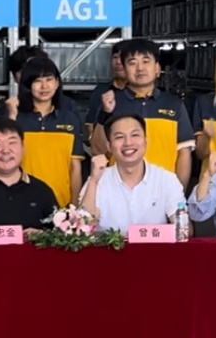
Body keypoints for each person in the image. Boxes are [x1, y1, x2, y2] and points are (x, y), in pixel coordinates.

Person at [91, 39, 195, 188]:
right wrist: (105, 113)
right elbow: (97, 150)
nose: (140, 68)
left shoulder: (174, 105)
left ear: (157, 68)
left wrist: (178, 192)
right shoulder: (111, 103)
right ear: (124, 69)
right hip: (119, 191)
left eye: (146, 61)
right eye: (132, 63)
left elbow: (184, 154)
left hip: (163, 190)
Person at [80, 114, 185, 232]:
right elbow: (83, 230)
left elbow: (184, 230)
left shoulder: (166, 180)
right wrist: (93, 181)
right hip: (108, 245)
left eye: (135, 135)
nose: (128, 143)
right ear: (109, 146)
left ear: (146, 141)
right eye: (119, 137)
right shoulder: (98, 180)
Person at [3, 57, 85, 208]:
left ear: (57, 83)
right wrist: (12, 116)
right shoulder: (15, 117)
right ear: (28, 85)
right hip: (21, 203)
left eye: (49, 79)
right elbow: (4, 157)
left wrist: (75, 205)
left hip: (61, 204)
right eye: (37, 81)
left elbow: (75, 167)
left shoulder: (70, 119)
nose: (44, 86)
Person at [85, 40, 128, 137]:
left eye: (123, 57)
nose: (118, 62)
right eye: (115, 57)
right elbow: (90, 124)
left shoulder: (140, 92)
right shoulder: (101, 90)